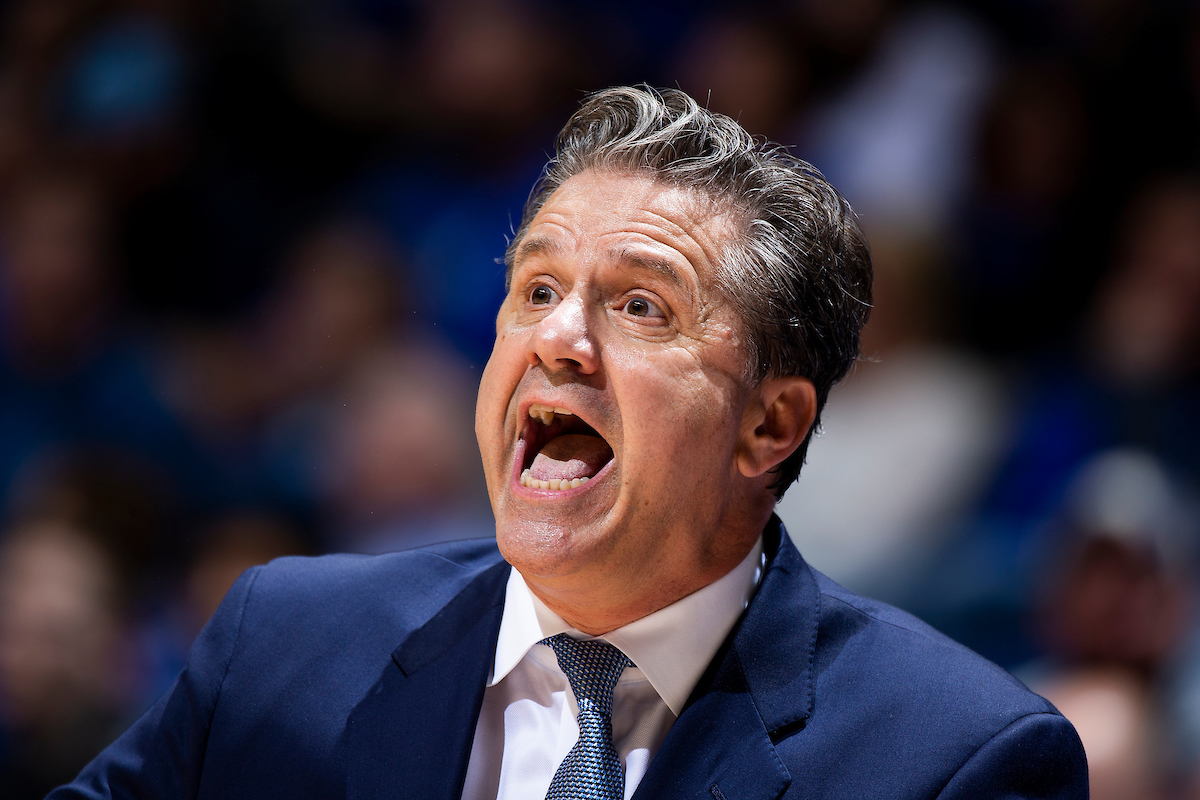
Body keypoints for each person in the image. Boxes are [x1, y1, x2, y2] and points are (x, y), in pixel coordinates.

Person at [49, 86, 1087, 799]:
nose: (557, 335)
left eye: (640, 306)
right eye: (536, 288)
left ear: (770, 424)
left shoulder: (953, 757)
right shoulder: (281, 645)